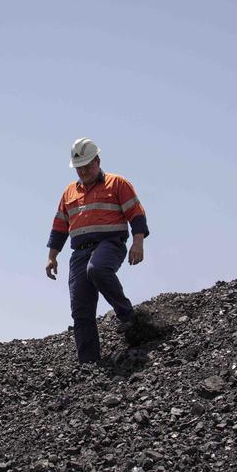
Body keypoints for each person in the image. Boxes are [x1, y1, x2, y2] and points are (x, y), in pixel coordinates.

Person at [45, 137, 150, 364]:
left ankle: (127, 315)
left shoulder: (118, 184)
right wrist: (52, 257)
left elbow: (136, 214)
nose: (83, 171)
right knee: (80, 309)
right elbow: (59, 227)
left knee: (98, 269)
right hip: (79, 252)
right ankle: (89, 363)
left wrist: (138, 243)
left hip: (109, 243)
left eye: (87, 166)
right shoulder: (69, 193)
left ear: (98, 161)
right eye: (79, 168)